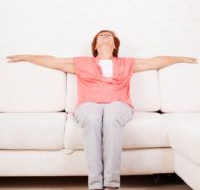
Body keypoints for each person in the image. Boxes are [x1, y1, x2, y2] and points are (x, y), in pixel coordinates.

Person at [6, 30, 198, 190]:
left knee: (111, 118)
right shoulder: (81, 63)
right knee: (93, 119)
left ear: (115, 46)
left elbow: (155, 61)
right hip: (88, 105)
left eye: (109, 36)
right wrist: (26, 56)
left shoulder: (126, 63)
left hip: (119, 104)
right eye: (101, 35)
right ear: (95, 45)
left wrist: (179, 57)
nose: (105, 36)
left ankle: (112, 185)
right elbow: (53, 61)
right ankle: (96, 185)